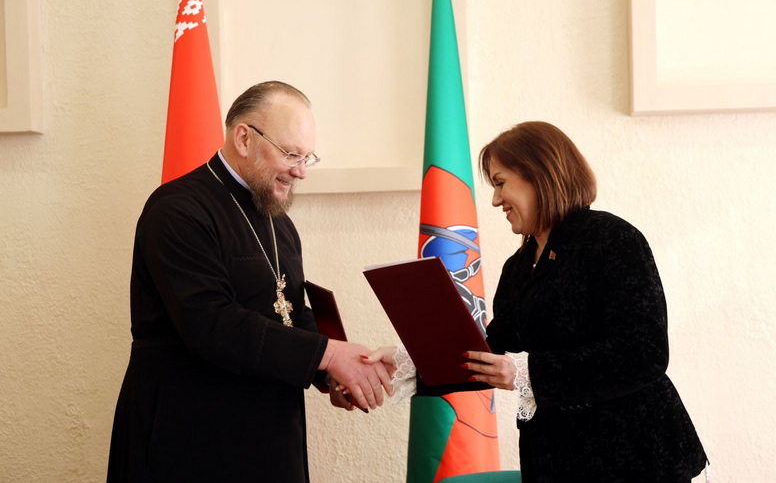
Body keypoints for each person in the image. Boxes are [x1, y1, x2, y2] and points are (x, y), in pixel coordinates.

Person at [366, 121, 708, 482]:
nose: (496, 200)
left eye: (500, 183)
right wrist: (406, 363)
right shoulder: (519, 266)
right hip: (555, 461)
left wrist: (528, 372)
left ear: (538, 174)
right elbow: (489, 354)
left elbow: (644, 353)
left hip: (636, 460)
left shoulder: (613, 238)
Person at [107, 81, 392, 483]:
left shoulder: (280, 222)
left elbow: (288, 312)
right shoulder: (177, 210)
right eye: (290, 154)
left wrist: (332, 374)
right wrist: (328, 355)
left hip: (270, 438)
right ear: (243, 138)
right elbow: (210, 324)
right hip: (190, 435)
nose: (301, 171)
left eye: (307, 157)